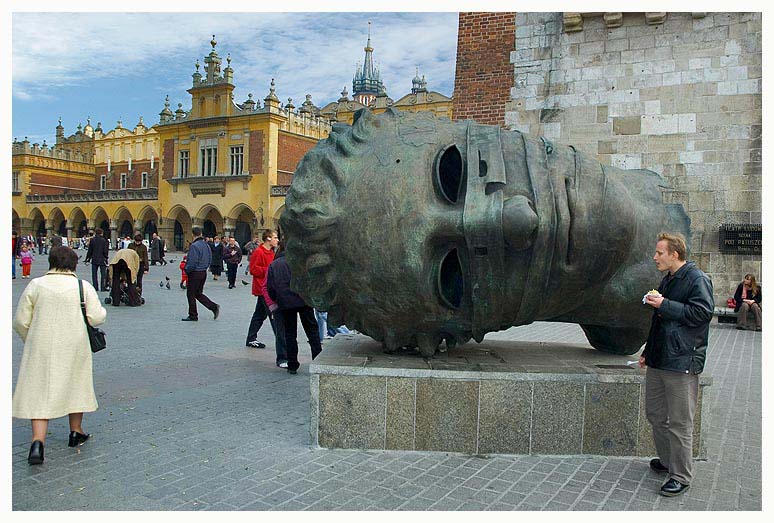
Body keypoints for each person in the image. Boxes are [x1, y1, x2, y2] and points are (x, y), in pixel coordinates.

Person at [12, 246, 107, 465]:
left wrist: (31, 338)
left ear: (51, 262)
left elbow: (20, 322)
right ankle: (76, 432)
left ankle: (38, 442)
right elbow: (96, 318)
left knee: (40, 390)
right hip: (74, 345)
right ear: (73, 264)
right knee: (75, 384)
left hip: (41, 346)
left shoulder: (36, 285)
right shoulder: (82, 286)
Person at [640, 232, 714, 497]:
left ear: (675, 254)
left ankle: (681, 475)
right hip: (660, 359)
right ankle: (668, 461)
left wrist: (665, 304)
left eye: (660, 252)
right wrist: (648, 351)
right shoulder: (668, 279)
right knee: (656, 414)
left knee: (680, 422)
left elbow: (703, 314)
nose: (655, 257)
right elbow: (660, 320)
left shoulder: (697, 279)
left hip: (682, 361)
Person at [267, 240, 322, 375]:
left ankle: (292, 364)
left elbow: (270, 287)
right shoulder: (301, 262)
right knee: (312, 331)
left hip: (285, 303)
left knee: (290, 334)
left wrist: (277, 299)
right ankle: (317, 358)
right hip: (304, 301)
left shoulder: (274, 265)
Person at [245, 230, 279, 352]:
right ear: (268, 239)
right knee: (274, 315)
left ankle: (251, 338)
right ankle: (282, 342)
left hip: (268, 287)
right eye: (275, 237)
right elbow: (253, 270)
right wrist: (270, 270)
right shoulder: (259, 252)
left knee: (259, 314)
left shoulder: (271, 252)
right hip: (263, 289)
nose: (277, 240)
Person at [183, 226, 219, 321]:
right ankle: (213, 307)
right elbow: (210, 258)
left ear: (192, 234)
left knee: (190, 294)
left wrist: (187, 270)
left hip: (195, 273)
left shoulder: (194, 246)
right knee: (198, 293)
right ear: (201, 234)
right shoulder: (206, 245)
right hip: (203, 272)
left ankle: (193, 315)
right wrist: (205, 267)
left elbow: (192, 261)